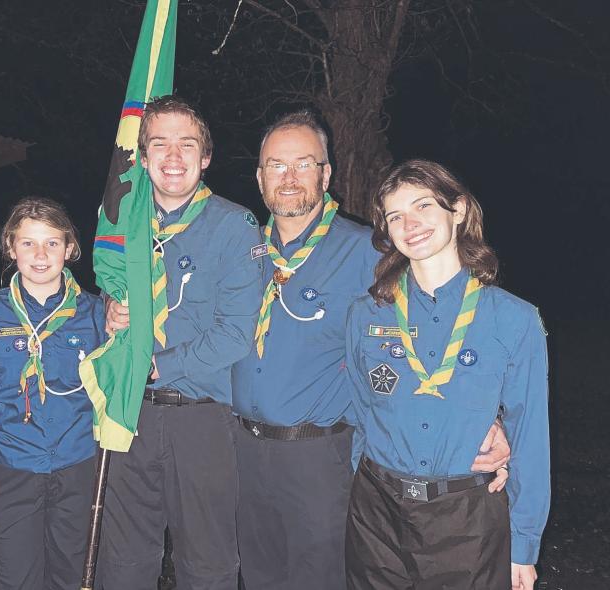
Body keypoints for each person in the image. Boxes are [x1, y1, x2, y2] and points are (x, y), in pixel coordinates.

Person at [230, 112, 511, 590]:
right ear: (259, 178)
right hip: (241, 453)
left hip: (321, 457)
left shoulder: (368, 252)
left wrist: (491, 414)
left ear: (326, 173)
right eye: (276, 165)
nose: (289, 177)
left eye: (304, 164)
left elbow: (444, 323)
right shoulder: (240, 251)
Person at [344, 159, 549, 589]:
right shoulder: (366, 314)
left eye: (423, 206)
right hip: (376, 514)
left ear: (457, 211)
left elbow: (529, 434)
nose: (409, 223)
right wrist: (362, 489)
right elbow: (359, 410)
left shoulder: (514, 319)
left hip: (467, 519)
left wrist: (523, 545)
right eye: (395, 215)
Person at [101, 95, 263, 589]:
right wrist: (108, 312)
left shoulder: (235, 226)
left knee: (207, 561)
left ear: (205, 156)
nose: (173, 156)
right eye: (160, 144)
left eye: (187, 144)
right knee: (125, 558)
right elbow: (109, 293)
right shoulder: (120, 223)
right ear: (143, 157)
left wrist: (154, 367)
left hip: (202, 419)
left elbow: (236, 333)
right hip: (129, 413)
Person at [0, 197, 105, 590]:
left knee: (75, 575)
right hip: (8, 467)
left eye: (52, 243)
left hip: (79, 465)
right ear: (11, 247)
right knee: (11, 577)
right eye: (28, 243)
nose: (40, 255)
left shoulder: (98, 314)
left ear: (70, 249)